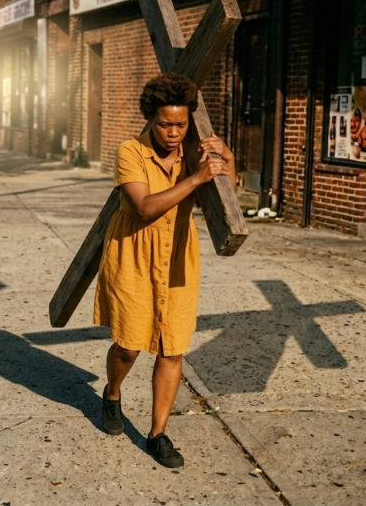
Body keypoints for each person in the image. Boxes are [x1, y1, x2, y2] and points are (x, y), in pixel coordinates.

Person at [96, 73, 234, 469]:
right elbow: (144, 207)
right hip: (133, 254)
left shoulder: (195, 152)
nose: (174, 133)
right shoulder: (130, 152)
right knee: (129, 344)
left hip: (177, 256)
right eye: (165, 124)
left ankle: (157, 434)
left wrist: (226, 156)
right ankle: (113, 392)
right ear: (149, 120)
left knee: (172, 348)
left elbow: (229, 194)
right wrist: (195, 177)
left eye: (181, 124)